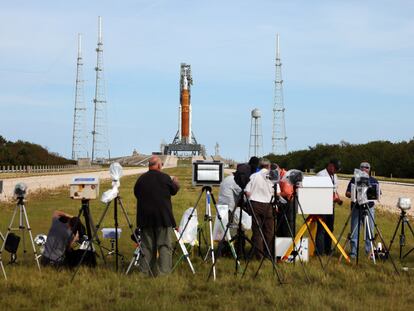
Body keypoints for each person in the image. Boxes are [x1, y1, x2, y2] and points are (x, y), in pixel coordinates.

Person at [134, 155, 180, 276]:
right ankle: (163, 273)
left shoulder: (141, 179)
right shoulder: (165, 178)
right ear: (159, 165)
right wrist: (175, 181)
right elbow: (174, 190)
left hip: (145, 219)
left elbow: (136, 193)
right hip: (163, 218)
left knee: (147, 247)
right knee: (164, 246)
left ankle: (145, 272)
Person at [345, 161, 379, 259]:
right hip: (356, 208)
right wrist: (355, 193)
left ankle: (369, 252)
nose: (364, 169)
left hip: (369, 208)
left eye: (367, 167)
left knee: (369, 231)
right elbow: (347, 193)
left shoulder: (374, 180)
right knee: (354, 231)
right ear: (359, 169)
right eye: (362, 167)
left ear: (369, 170)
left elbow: (378, 194)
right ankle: (353, 253)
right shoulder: (354, 179)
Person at [244, 158, 277, 259]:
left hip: (255, 205)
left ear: (259, 166)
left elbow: (247, 191)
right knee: (269, 231)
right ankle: (269, 253)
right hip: (268, 205)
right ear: (269, 166)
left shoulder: (254, 176)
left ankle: (259, 255)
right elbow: (277, 192)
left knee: (257, 231)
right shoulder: (273, 175)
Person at [315, 159, 343, 255]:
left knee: (330, 229)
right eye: (335, 169)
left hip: (331, 206)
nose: (336, 171)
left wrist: (337, 198)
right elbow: (319, 192)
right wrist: (332, 198)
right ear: (330, 165)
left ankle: (328, 250)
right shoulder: (321, 175)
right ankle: (319, 251)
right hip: (321, 206)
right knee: (321, 229)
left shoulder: (334, 176)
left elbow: (335, 190)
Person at [275, 164, 296, 237]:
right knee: (281, 225)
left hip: (288, 203)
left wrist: (276, 194)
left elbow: (287, 192)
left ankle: (288, 245)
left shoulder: (285, 176)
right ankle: (280, 243)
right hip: (283, 202)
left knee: (287, 226)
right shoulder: (281, 175)